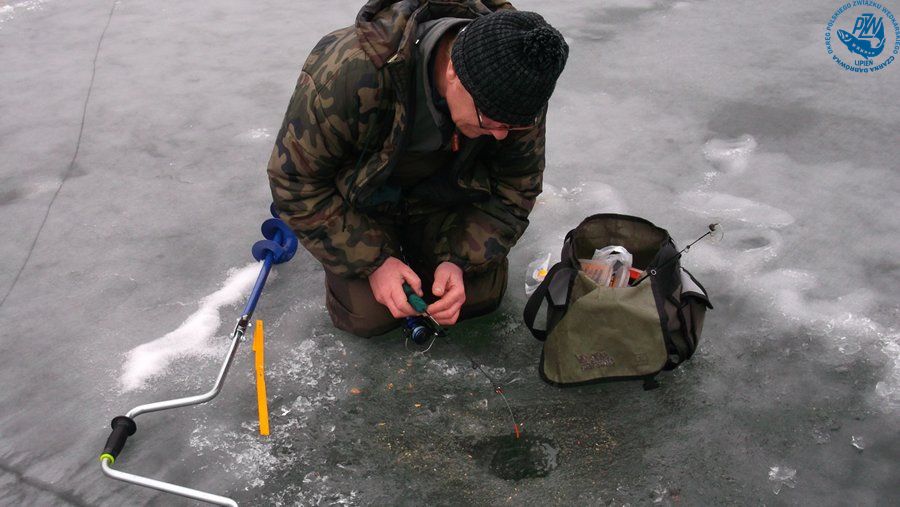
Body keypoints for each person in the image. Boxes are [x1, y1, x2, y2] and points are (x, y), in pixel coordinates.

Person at [267, 0, 568, 337]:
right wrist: (374, 262)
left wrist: (459, 259)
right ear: (453, 72)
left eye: (513, 127)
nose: (501, 135)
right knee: (370, 317)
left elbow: (517, 185)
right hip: (363, 203)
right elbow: (294, 180)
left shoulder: (520, 89)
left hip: (445, 199)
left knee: (478, 298)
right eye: (491, 122)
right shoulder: (350, 71)